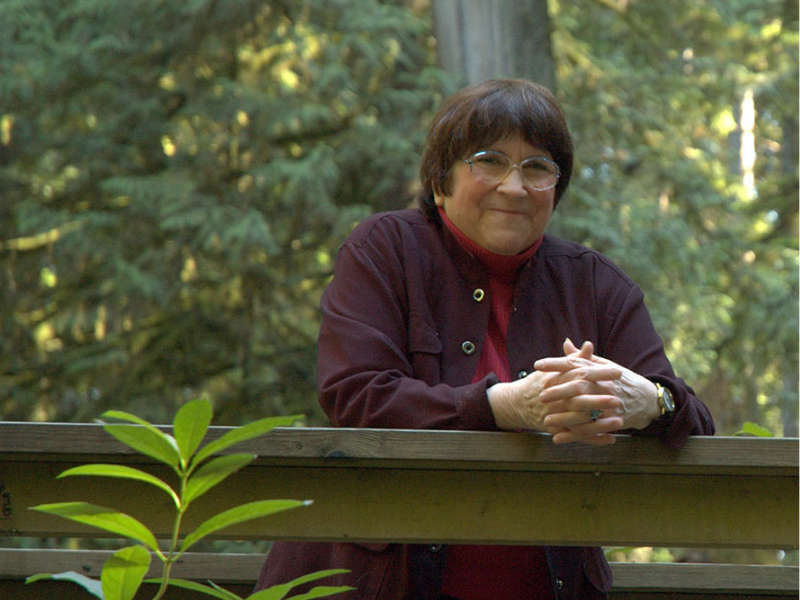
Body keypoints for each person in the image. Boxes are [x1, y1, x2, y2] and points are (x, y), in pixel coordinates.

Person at [255, 78, 715, 599]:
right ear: (439, 181)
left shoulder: (594, 283)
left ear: (555, 191)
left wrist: (648, 402)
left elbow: (692, 418)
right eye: (488, 161)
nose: (514, 187)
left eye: (537, 167)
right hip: (375, 583)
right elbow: (356, 395)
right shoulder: (383, 250)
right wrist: (502, 406)